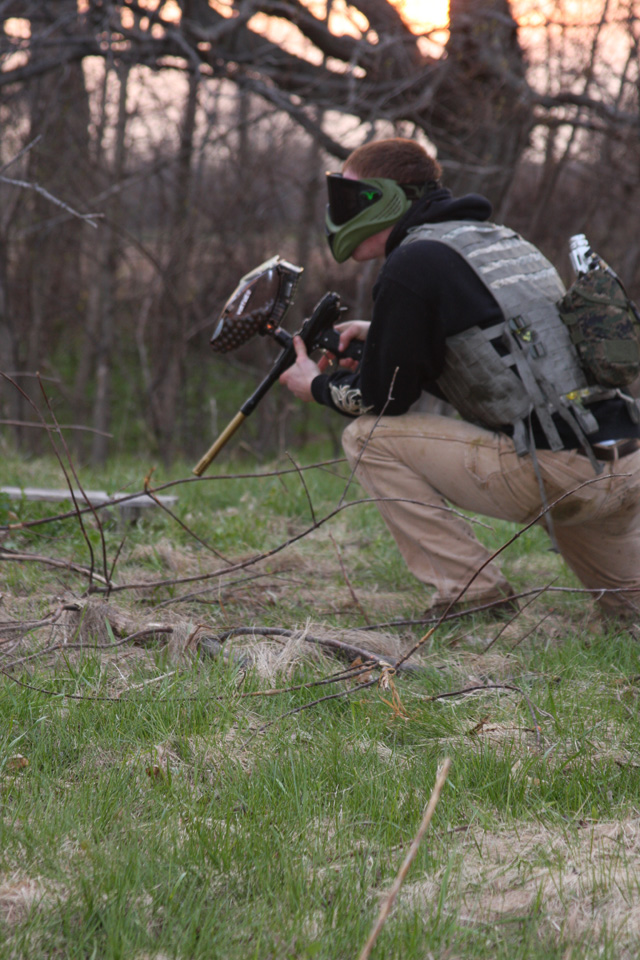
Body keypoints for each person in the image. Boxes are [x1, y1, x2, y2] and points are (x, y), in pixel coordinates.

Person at [279, 137, 640, 622]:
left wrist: (314, 385)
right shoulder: (497, 241)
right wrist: (380, 336)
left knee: (368, 439)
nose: (337, 214)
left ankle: (474, 596)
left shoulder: (411, 261)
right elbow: (504, 364)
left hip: (560, 474)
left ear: (387, 197)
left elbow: (381, 399)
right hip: (622, 461)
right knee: (631, 620)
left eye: (348, 199)